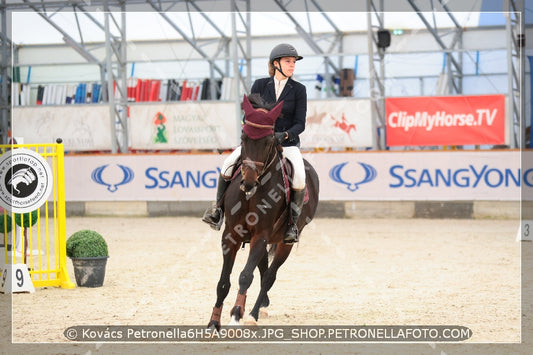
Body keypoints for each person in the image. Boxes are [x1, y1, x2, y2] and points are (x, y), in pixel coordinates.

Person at [202, 43, 307, 244]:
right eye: (288, 61)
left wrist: (284, 135)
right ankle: (217, 212)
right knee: (227, 165)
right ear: (276, 64)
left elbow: (300, 123)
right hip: (258, 143)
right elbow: (248, 115)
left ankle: (292, 224)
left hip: (286, 144)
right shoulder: (260, 85)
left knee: (300, 178)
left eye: (294, 62)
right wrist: (249, 131)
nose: (292, 65)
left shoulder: (299, 90)